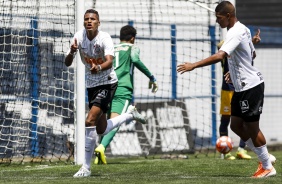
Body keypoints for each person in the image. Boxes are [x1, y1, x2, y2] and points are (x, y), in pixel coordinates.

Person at [177, 1, 276, 178]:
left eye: (219, 18)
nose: (217, 21)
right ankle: (265, 155)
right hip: (240, 87)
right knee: (236, 125)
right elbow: (251, 54)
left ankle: (267, 166)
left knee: (253, 128)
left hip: (250, 87)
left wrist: (194, 65)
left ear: (228, 16)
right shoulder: (242, 29)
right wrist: (233, 70)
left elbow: (220, 55)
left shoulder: (236, 32)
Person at [65, 9, 147, 178]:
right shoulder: (78, 37)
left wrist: (99, 67)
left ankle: (85, 168)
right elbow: (67, 63)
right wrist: (72, 51)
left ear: (98, 23)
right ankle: (130, 115)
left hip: (108, 82)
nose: (89, 21)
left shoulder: (104, 38)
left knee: (90, 119)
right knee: (101, 129)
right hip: (92, 85)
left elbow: (110, 61)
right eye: (86, 19)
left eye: (93, 19)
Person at [94, 25, 158, 165]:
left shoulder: (112, 48)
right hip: (122, 89)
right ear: (133, 38)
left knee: (106, 121)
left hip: (106, 87)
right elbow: (135, 59)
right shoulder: (132, 48)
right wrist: (151, 77)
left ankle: (99, 153)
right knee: (117, 121)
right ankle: (101, 147)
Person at [217, 30, 261, 160]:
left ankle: (241, 149)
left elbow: (248, 53)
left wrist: (251, 42)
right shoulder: (224, 47)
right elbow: (221, 46)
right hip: (227, 90)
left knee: (245, 121)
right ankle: (225, 153)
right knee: (225, 120)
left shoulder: (241, 49)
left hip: (241, 88)